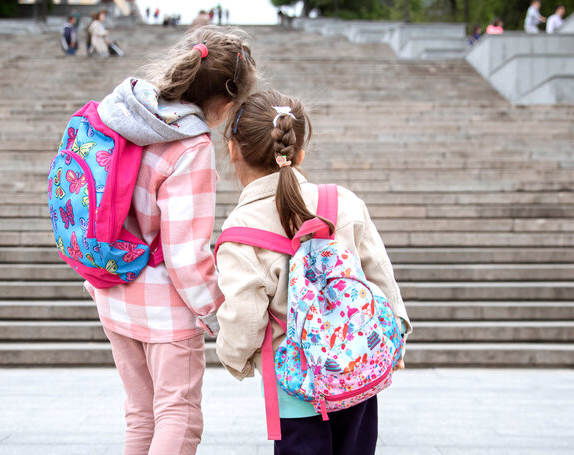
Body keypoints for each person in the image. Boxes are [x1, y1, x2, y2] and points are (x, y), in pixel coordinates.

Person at [87, 25, 256, 455]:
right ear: (226, 99)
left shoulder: (121, 112)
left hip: (112, 290)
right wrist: (216, 314)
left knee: (141, 415)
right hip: (164, 309)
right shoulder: (190, 145)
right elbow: (185, 254)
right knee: (179, 416)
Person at [214, 90, 410, 454]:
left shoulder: (240, 230)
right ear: (299, 152)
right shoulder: (343, 202)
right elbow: (380, 277)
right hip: (356, 372)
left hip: (296, 387)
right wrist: (395, 336)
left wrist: (235, 358)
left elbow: (244, 317)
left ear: (233, 150)